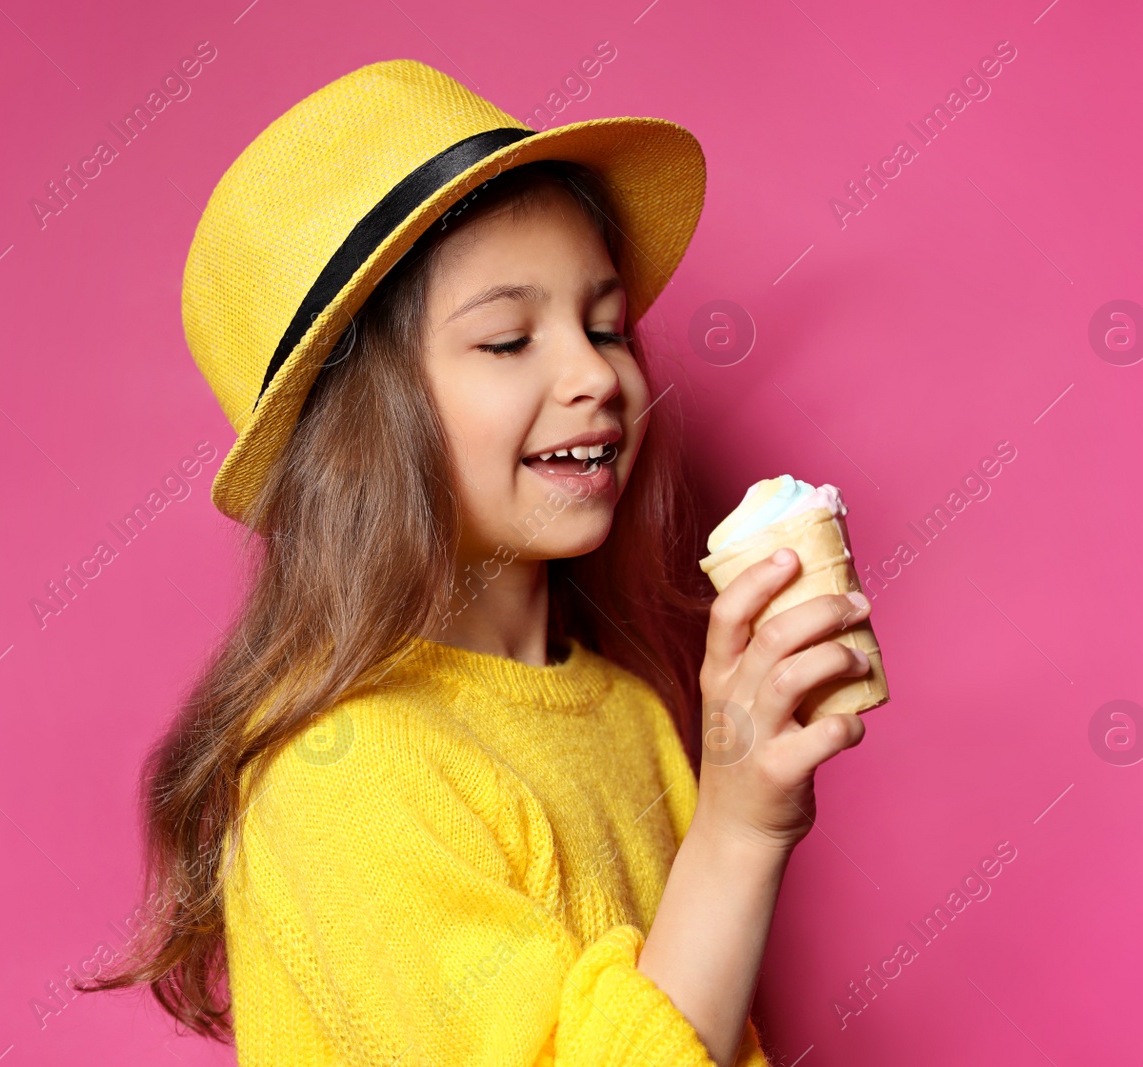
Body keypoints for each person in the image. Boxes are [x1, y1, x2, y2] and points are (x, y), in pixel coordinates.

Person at [85, 59, 874, 1066]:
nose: (595, 374)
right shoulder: (344, 774)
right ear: (359, 434)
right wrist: (738, 827)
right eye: (507, 340)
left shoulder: (627, 712)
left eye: (606, 325)